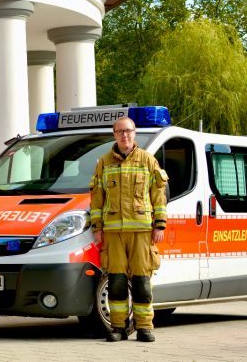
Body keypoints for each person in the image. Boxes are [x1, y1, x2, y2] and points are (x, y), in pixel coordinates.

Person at [90, 116, 167, 342]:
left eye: (129, 131)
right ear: (114, 134)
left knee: (143, 281)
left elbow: (158, 196)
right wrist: (97, 227)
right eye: (120, 131)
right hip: (113, 233)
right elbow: (97, 199)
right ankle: (118, 327)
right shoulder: (104, 162)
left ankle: (144, 327)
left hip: (142, 231)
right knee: (116, 281)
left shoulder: (147, 160)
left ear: (135, 134)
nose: (125, 135)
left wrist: (159, 224)